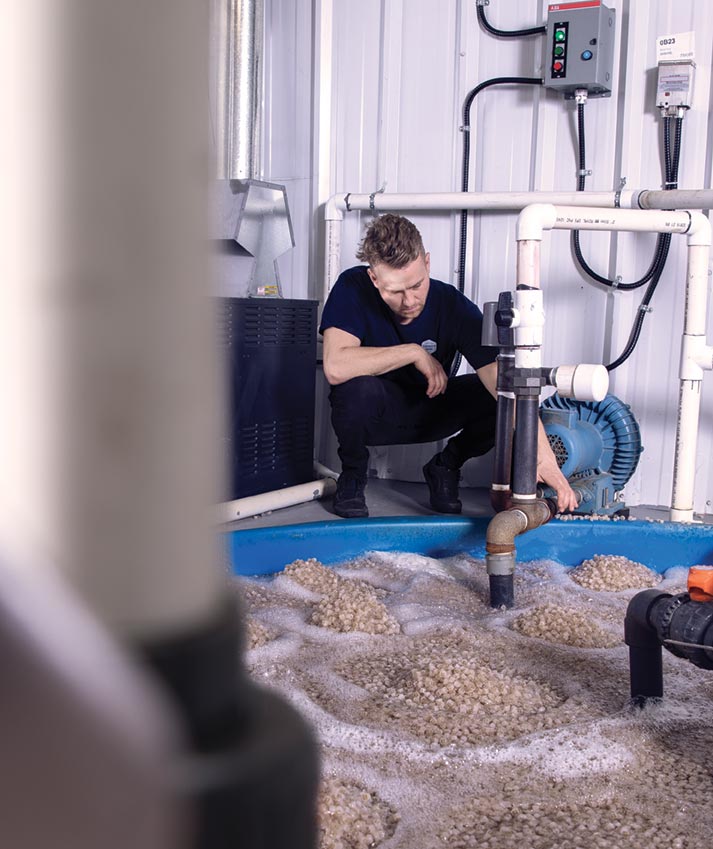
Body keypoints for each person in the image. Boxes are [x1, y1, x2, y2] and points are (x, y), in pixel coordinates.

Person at [319, 213, 577, 519]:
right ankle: (353, 477)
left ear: (427, 263)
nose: (409, 300)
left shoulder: (451, 304)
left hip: (433, 409)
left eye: (416, 285)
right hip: (378, 413)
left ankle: (446, 466)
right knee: (353, 387)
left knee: (498, 397)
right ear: (374, 278)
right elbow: (335, 366)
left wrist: (545, 460)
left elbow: (508, 388)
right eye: (395, 291)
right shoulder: (353, 286)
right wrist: (413, 352)